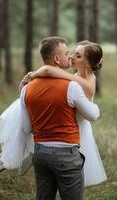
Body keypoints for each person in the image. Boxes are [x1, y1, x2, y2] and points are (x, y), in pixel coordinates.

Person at [20, 37, 101, 200]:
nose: (71, 56)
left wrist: (31, 77)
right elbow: (92, 114)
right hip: (67, 150)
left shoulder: (30, 87)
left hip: (42, 150)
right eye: (69, 53)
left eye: (77, 56)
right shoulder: (72, 84)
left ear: (88, 62)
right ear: (57, 58)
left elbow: (49, 71)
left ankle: (8, 152)